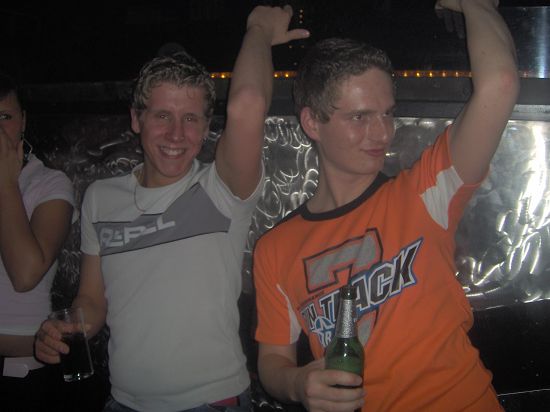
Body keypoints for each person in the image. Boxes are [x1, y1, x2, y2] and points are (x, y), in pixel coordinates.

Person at [34, 5, 309, 412]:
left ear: (207, 127)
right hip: (124, 403)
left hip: (212, 402)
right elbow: (91, 301)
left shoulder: (221, 190)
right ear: (136, 119)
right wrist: (62, 329)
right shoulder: (100, 197)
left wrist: (258, 30)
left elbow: (248, 104)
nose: (176, 134)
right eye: (162, 116)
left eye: (191, 119)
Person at [253, 0, 519, 411]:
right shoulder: (275, 248)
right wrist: (297, 384)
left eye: (388, 114)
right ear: (312, 123)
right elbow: (272, 361)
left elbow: (499, 83)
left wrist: (474, 3)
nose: (382, 133)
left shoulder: (424, 194)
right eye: (360, 117)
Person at [0, 71, 75, 409]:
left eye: (5, 116)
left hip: (19, 374)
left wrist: (5, 182)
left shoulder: (48, 183)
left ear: (23, 121)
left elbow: (26, 274)